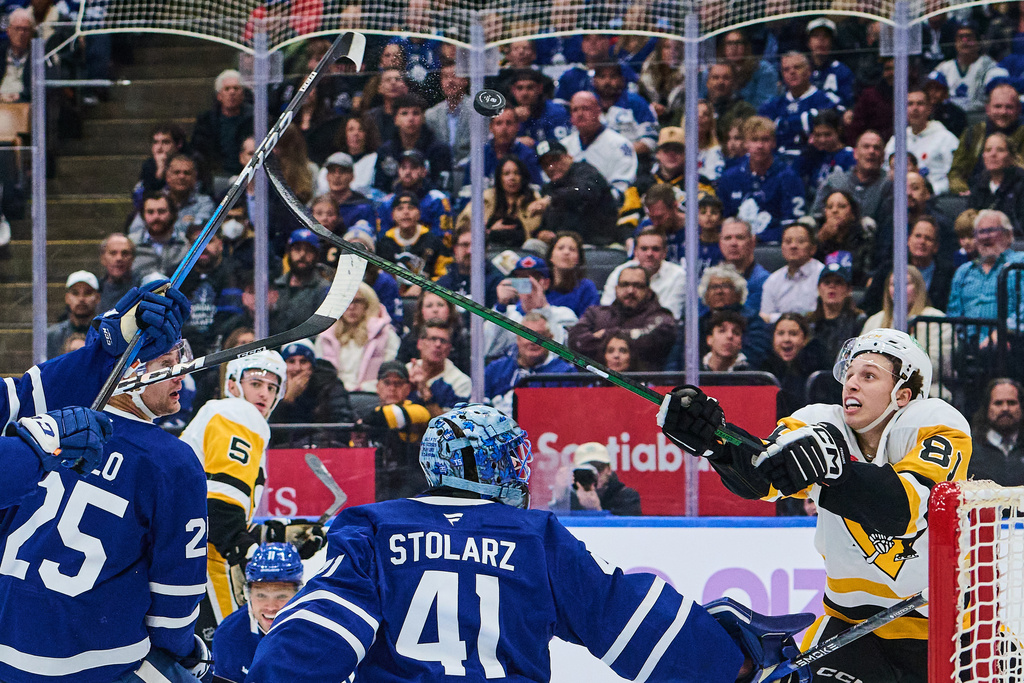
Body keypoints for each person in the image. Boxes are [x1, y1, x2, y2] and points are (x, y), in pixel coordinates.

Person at [247, 402, 810, 683]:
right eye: (510, 457)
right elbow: (624, 617)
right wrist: (734, 658)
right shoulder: (534, 535)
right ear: (486, 464)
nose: (521, 468)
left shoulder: (370, 526)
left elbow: (313, 641)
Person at [658, 328, 972, 682]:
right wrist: (718, 444)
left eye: (868, 375)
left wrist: (837, 472)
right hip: (852, 629)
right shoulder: (819, 421)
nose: (851, 384)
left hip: (949, 630)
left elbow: (906, 510)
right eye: (849, 373)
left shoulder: (936, 423)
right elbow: (765, 476)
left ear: (903, 395)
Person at [0, 342, 212, 683]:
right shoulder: (172, 462)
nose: (180, 375)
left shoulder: (45, 431)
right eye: (166, 364)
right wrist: (185, 652)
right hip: (96, 662)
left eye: (180, 362)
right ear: (129, 370)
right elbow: (176, 597)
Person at [183, 350, 323, 648]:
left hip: (186, 552)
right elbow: (220, 509)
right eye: (256, 383)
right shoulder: (237, 413)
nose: (264, 394)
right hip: (201, 561)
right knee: (225, 656)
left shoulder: (223, 414)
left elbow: (212, 510)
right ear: (233, 385)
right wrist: (243, 549)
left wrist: (275, 535)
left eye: (272, 388)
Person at [211, 543, 304, 683]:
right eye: (261, 595)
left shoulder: (322, 632)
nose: (271, 607)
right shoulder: (228, 635)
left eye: (281, 596)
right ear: (248, 595)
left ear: (299, 595)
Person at [862, 266, 952, 399]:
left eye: (906, 283)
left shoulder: (936, 319)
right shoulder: (874, 321)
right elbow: (860, 360)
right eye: (893, 284)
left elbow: (938, 365)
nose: (899, 289)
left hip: (925, 391)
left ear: (918, 288)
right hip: (876, 391)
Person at [569, 265, 676, 371]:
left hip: (644, 384)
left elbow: (650, 340)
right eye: (624, 285)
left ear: (648, 291)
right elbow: (575, 341)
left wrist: (605, 335)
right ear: (616, 289)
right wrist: (631, 337)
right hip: (597, 384)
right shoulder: (595, 313)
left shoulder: (661, 316)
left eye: (638, 286)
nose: (630, 291)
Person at [718, 116, 806, 243]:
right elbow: (723, 220)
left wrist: (760, 238)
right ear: (746, 143)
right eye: (754, 140)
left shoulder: (789, 177)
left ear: (774, 143)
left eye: (765, 140)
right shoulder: (730, 177)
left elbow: (793, 224)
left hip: (775, 247)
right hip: (737, 244)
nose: (760, 146)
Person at [357, 360, 432, 502]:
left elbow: (390, 416)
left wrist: (361, 424)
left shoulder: (418, 411)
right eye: (387, 383)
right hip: (376, 481)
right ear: (377, 386)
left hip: (409, 484)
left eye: (398, 383)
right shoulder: (369, 413)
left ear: (408, 388)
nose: (392, 388)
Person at [487, 254, 579, 361]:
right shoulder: (507, 313)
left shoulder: (565, 314)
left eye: (534, 278)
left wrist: (542, 310)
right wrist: (500, 306)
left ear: (546, 283)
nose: (529, 283)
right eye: (522, 278)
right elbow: (487, 350)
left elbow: (557, 355)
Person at [484, 312, 576, 415]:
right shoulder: (495, 369)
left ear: (550, 339)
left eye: (539, 335)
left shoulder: (566, 373)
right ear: (518, 339)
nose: (533, 341)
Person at [316, 282, 400, 392]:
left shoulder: (385, 334)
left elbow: (390, 374)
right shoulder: (326, 336)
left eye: (357, 301)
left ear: (368, 304)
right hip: (333, 396)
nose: (351, 307)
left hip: (371, 395)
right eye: (347, 301)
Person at [533, 139, 619, 246]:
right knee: (533, 245)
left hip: (596, 243)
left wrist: (551, 199)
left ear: (569, 157)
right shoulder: (548, 189)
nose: (551, 167)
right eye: (545, 164)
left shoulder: (586, 171)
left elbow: (584, 191)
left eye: (555, 160)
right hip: (561, 246)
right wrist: (541, 233)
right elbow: (545, 224)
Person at [758, 52, 843, 160]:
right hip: (777, 161)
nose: (792, 72)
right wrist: (805, 119)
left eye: (797, 67)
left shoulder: (825, 100)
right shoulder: (774, 104)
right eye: (786, 69)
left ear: (808, 71)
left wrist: (780, 123)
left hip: (813, 160)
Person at [270, 340, 354, 448]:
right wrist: (287, 400)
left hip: (324, 449)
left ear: (312, 366)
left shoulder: (330, 384)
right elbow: (270, 433)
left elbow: (341, 426)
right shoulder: (271, 387)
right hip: (282, 453)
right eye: (291, 361)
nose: (297, 368)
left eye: (303, 361)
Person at [561, 91, 639, 205]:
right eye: (575, 110)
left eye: (585, 108)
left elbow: (622, 187)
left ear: (598, 111)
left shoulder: (620, 144)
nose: (580, 114)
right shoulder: (564, 146)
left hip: (606, 210)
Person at [948, 82, 1024, 195]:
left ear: (1018, 109)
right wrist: (962, 190)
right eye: (998, 106)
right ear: (987, 108)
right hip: (975, 196)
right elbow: (956, 173)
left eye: (1009, 107)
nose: (1003, 112)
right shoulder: (972, 133)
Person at [883, 86, 959, 195]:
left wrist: (931, 190)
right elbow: (886, 173)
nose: (915, 108)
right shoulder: (896, 140)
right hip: (900, 198)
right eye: (910, 104)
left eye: (920, 104)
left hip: (935, 197)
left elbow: (954, 176)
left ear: (929, 109)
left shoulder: (946, 138)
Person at [455, 155, 542, 245]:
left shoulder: (534, 199)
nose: (512, 178)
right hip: (488, 249)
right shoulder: (485, 198)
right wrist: (489, 232)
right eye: (506, 174)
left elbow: (535, 231)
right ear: (499, 177)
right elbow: (463, 225)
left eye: (517, 173)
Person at [603, 229, 686, 320]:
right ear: (635, 252)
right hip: (619, 328)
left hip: (659, 331)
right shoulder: (620, 271)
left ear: (664, 253)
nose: (649, 254)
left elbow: (670, 317)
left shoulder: (678, 275)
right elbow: (605, 310)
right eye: (644, 249)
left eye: (655, 249)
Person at [931, 21, 1008, 113]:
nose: (964, 41)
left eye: (969, 37)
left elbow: (1001, 93)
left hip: (980, 118)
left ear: (978, 41)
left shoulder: (989, 66)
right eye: (960, 37)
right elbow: (929, 91)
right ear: (954, 42)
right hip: (951, 120)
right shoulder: (944, 68)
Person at [808, 253, 868, 368]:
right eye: (827, 282)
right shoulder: (810, 322)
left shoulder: (859, 322)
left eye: (838, 282)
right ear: (819, 289)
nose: (832, 286)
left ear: (849, 290)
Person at [191, 68, 254, 175]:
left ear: (243, 94)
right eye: (227, 89)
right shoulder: (206, 121)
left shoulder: (253, 119)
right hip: (217, 174)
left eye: (236, 88)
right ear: (219, 95)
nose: (232, 92)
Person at [760, 312, 823, 418]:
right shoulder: (764, 371)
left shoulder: (816, 371)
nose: (786, 339)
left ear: (805, 339)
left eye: (793, 334)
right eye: (780, 333)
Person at [760, 222, 824, 323]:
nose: (793, 246)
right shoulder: (773, 280)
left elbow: (818, 314)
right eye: (788, 241)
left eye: (800, 241)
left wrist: (774, 318)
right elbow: (765, 317)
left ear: (813, 248)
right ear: (782, 247)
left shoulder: (823, 275)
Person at [271, 228, 332, 335]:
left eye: (308, 250)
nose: (302, 255)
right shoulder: (276, 285)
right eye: (297, 249)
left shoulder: (324, 289)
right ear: (289, 253)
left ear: (316, 255)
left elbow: (321, 329)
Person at [397, 289, 471, 373]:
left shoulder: (462, 339)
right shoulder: (410, 339)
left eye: (440, 305)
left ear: (449, 310)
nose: (435, 310)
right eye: (429, 306)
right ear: (421, 311)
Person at [407, 320, 472, 415]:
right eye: (433, 339)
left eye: (443, 341)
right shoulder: (407, 370)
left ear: (449, 348)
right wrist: (409, 387)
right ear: (420, 343)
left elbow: (450, 426)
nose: (438, 345)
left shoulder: (461, 382)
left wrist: (426, 394)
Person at [435, 224, 503, 311]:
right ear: (455, 249)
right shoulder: (442, 285)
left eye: (476, 245)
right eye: (465, 245)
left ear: (485, 250)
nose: (470, 251)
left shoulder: (497, 284)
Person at [968, 378, 1024, 485]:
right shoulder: (969, 448)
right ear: (987, 407)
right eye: (998, 403)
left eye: (1012, 403)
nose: (1005, 408)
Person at [967, 132, 1024, 235]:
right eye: (988, 150)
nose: (993, 154)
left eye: (1000, 150)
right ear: (983, 156)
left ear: (1011, 156)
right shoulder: (977, 184)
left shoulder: (1021, 183)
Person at [814, 189, 875, 285]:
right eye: (830, 207)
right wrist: (821, 241)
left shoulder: (864, 237)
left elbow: (864, 272)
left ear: (852, 214)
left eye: (841, 206)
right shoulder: (817, 238)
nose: (834, 211)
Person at [569, 440, 642, 515]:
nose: (595, 474)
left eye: (599, 468)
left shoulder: (627, 497)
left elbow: (629, 525)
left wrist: (596, 510)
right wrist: (560, 497)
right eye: (587, 471)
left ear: (609, 469)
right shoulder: (570, 498)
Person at [130, 192, 190, 280]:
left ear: (172, 214)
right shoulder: (131, 244)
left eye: (162, 211)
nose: (156, 217)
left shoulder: (186, 244)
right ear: (143, 215)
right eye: (150, 212)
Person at [719, 218, 771, 313]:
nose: (733, 243)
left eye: (740, 237)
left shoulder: (764, 281)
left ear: (752, 242)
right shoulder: (711, 278)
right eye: (727, 238)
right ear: (720, 243)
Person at [545, 230, 601, 318]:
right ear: (551, 256)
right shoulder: (539, 285)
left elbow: (589, 322)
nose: (566, 252)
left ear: (578, 259)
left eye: (572, 249)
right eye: (560, 248)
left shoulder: (586, 288)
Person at [46, 270, 100, 358]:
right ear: (67, 298)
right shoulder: (52, 336)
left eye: (87, 293)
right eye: (75, 293)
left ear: (97, 298)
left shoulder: (105, 333)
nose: (81, 299)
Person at [97, 232, 141, 313]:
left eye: (125, 253)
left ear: (133, 258)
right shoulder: (95, 289)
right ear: (103, 258)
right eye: (113, 253)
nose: (119, 258)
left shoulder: (142, 288)